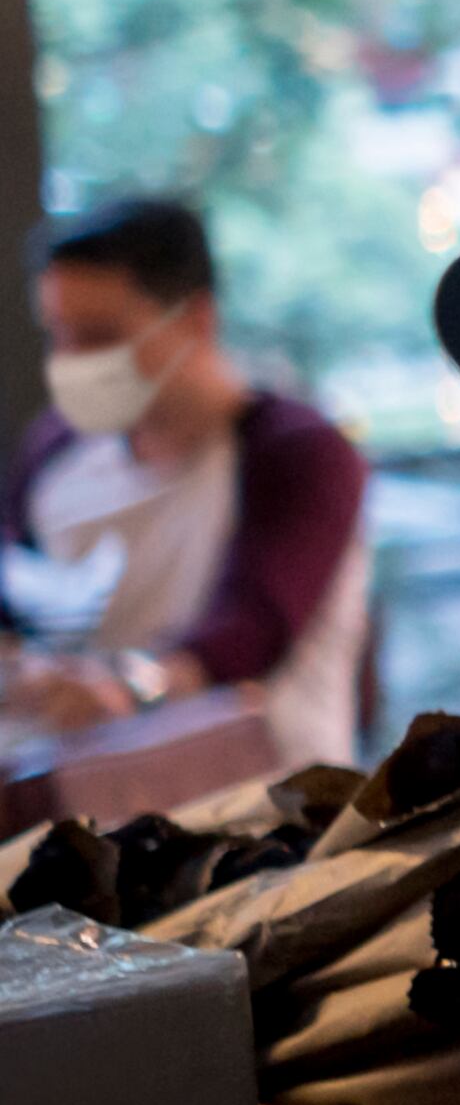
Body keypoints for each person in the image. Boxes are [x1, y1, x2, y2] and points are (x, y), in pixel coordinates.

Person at [7, 196, 372, 774]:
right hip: (96, 816)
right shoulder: (55, 450)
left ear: (196, 320)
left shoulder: (296, 452)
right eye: (60, 334)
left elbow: (254, 629)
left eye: (100, 336)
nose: (72, 361)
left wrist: (128, 687)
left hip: (273, 813)